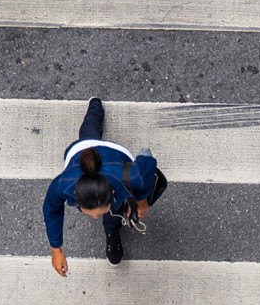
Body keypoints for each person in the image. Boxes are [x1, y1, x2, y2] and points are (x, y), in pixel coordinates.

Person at [42, 97, 167, 274]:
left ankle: (112, 231)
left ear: (113, 191)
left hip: (114, 154)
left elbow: (147, 160)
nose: (95, 218)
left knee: (114, 215)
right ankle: (95, 107)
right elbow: (51, 209)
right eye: (92, 213)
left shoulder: (132, 176)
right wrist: (56, 249)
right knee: (88, 132)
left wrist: (141, 199)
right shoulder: (63, 184)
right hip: (81, 149)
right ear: (76, 195)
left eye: (99, 213)